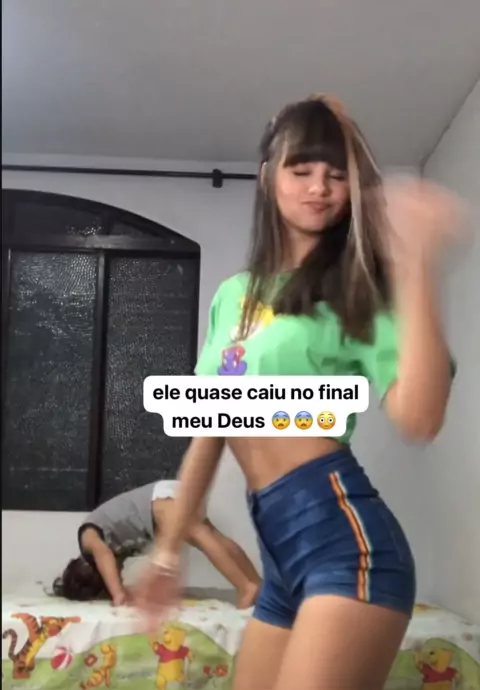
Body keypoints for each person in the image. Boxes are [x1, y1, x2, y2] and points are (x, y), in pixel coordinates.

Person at [133, 94, 461, 690]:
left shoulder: (359, 291)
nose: (319, 188)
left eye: (336, 174)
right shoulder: (234, 295)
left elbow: (421, 417)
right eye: (301, 169)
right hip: (279, 555)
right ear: (268, 178)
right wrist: (168, 550)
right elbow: (212, 426)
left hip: (344, 541)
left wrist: (415, 265)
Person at [53, 479, 261, 609]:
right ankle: (257, 584)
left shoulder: (88, 539)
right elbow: (112, 564)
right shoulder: (112, 548)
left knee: (201, 535)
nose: (118, 571)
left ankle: (245, 587)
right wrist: (123, 590)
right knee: (213, 537)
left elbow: (104, 557)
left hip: (159, 502)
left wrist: (118, 595)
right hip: (166, 496)